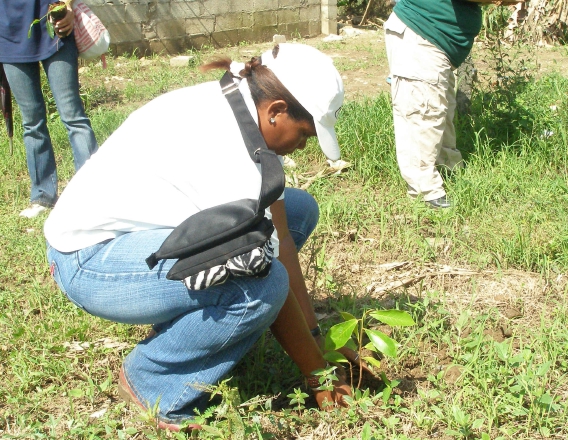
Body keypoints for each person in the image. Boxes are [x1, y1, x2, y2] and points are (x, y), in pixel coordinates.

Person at [43, 43, 351, 430]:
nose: (303, 146)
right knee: (262, 287)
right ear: (275, 112)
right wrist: (317, 372)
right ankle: (153, 381)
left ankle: (194, 329)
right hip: (90, 262)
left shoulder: (234, 100)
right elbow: (270, 273)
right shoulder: (231, 160)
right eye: (304, 134)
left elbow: (282, 238)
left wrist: (316, 336)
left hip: (126, 238)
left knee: (297, 208)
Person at [0, 0, 99, 218]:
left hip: (54, 26)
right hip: (9, 35)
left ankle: (93, 192)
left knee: (73, 117)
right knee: (32, 122)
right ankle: (43, 195)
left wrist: (68, 7)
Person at [383, 0, 482, 209]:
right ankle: (425, 191)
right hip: (420, 33)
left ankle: (447, 166)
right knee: (423, 113)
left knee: (442, 109)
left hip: (434, 39)